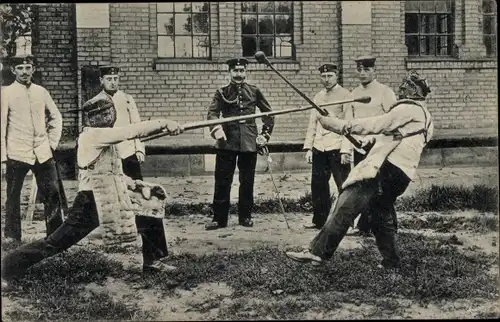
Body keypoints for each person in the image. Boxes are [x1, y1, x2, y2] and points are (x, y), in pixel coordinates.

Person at [1, 95, 184, 283]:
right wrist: (165, 123)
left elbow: (112, 171)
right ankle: (8, 266)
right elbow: (132, 131)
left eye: (108, 111)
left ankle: (153, 263)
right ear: (91, 118)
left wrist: (134, 184)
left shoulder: (107, 139)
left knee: (149, 208)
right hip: (90, 201)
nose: (106, 116)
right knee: (56, 243)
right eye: (99, 114)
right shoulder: (92, 135)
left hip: (110, 195)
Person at [285, 70, 433, 270]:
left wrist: (339, 126)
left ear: (415, 90)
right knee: (379, 213)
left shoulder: (409, 108)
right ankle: (391, 262)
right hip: (402, 175)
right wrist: (368, 142)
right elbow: (394, 137)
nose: (401, 88)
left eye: (405, 85)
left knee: (346, 204)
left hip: (385, 169)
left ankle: (317, 252)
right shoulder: (426, 116)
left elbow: (378, 124)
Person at [205, 57, 275, 230]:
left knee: (247, 181)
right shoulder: (221, 92)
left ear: (246, 72)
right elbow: (212, 114)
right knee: (222, 180)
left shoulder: (254, 90)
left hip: (249, 142)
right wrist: (217, 130)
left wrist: (265, 135)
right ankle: (219, 219)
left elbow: (269, 113)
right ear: (229, 72)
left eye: (241, 71)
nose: (238, 74)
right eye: (235, 71)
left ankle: (245, 217)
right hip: (226, 142)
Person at [1, 54, 64, 242]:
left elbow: (56, 117)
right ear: (13, 70)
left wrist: (51, 143)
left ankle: (55, 235)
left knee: (52, 192)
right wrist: (3, 157)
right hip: (16, 152)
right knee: (13, 195)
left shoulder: (41, 92)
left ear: (33, 69)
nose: (24, 72)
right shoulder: (6, 93)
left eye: (28, 68)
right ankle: (12, 236)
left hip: (42, 152)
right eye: (20, 68)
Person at [341, 55, 398, 236]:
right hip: (360, 147)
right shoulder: (353, 94)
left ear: (375, 71)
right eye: (360, 70)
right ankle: (364, 227)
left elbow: (393, 121)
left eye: (367, 70)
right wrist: (346, 149)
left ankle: (390, 226)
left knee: (382, 187)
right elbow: (348, 124)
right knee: (363, 185)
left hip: (379, 147)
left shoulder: (385, 92)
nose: (363, 73)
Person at [303, 63, 351, 230]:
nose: (326, 79)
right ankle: (319, 221)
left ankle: (348, 222)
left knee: (343, 185)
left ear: (336, 76)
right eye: (323, 76)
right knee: (318, 185)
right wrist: (309, 147)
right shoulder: (318, 97)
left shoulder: (346, 95)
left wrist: (346, 150)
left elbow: (348, 125)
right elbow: (313, 123)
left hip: (337, 147)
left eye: (330, 76)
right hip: (320, 147)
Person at [90, 65, 146, 180]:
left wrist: (139, 149)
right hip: (108, 153)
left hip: (128, 151)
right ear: (101, 80)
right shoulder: (95, 102)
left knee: (137, 188)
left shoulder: (127, 99)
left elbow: (137, 126)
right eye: (109, 79)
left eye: (115, 79)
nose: (113, 83)